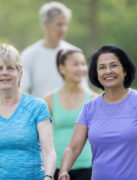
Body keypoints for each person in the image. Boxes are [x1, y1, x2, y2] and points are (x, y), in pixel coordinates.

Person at [58, 45, 137, 180]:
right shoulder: (90, 108)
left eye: (113, 65)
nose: (108, 71)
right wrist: (64, 170)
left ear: (125, 70)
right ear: (96, 74)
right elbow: (73, 147)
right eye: (102, 67)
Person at [0, 44, 56, 180]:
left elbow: (48, 151)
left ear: (20, 74)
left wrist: (48, 176)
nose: (4, 73)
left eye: (10, 68)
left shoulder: (37, 107)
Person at [44, 49, 97, 180]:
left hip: (87, 167)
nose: (81, 68)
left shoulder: (94, 100)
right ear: (61, 68)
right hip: (55, 168)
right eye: (75, 64)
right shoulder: (49, 99)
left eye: (83, 64)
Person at [21, 1, 87, 98]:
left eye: (65, 24)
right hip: (41, 112)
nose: (63, 29)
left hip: (72, 112)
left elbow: (85, 90)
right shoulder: (29, 55)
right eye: (59, 24)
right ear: (46, 24)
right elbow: (20, 90)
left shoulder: (75, 53)